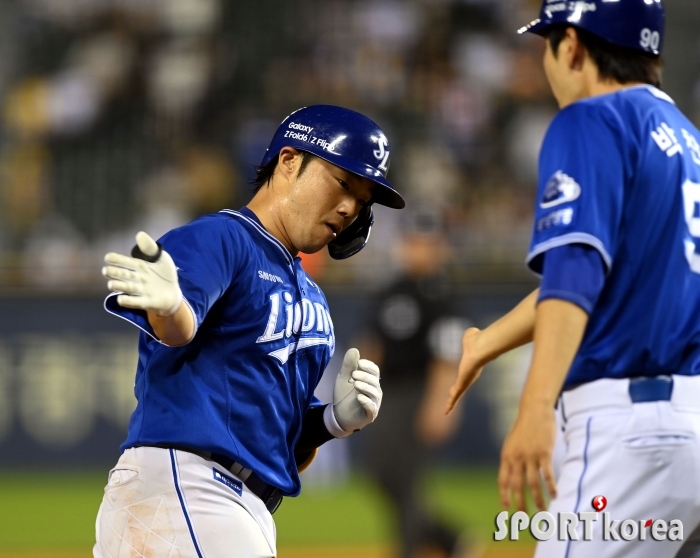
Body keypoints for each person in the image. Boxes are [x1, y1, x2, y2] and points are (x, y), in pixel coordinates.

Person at [445, 1, 700, 557]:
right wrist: (486, 342)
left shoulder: (591, 119)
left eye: (548, 43)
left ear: (574, 46)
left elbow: (576, 271)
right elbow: (611, 280)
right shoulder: (684, 139)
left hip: (627, 435)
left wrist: (535, 409)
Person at [93, 105, 405, 558]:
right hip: (189, 490)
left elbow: (282, 446)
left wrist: (333, 421)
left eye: (362, 200)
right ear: (289, 162)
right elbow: (178, 328)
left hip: (236, 506)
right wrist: (171, 306)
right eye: (343, 183)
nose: (349, 207)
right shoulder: (224, 237)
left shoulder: (313, 297)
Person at [360, 206, 473, 558]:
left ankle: (408, 551)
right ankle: (450, 539)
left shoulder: (440, 294)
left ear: (437, 247)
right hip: (387, 392)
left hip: (419, 391)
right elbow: (373, 343)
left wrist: (443, 403)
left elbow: (447, 357)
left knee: (406, 479)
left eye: (425, 242)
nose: (417, 248)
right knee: (382, 474)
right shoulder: (391, 288)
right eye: (412, 241)